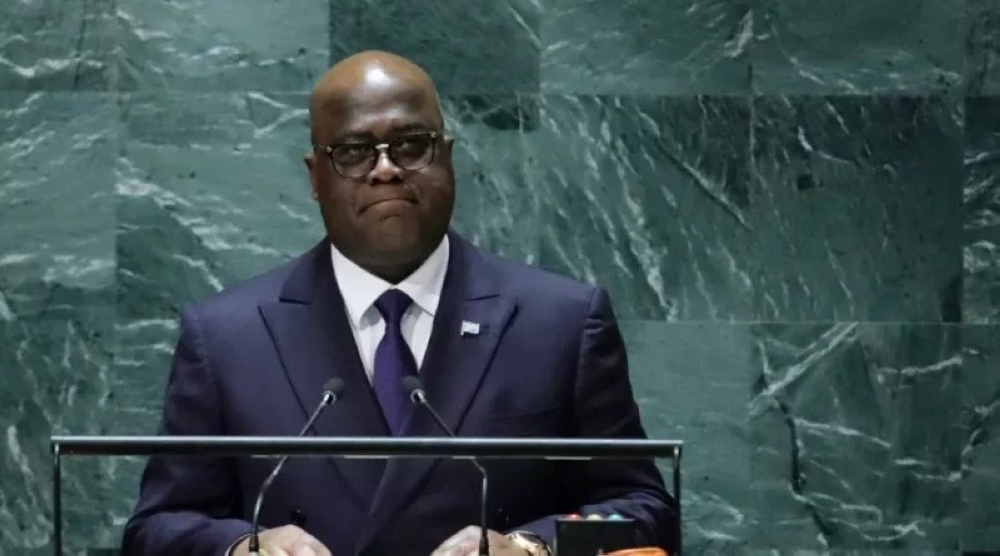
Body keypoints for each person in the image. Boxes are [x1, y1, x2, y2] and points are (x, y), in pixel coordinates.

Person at [121, 50, 676, 556]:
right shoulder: (227, 337)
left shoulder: (561, 322)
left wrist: (533, 548)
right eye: (356, 151)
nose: (385, 168)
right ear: (316, 177)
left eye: (411, 144)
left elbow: (643, 511)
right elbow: (157, 527)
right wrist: (242, 547)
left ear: (449, 158)